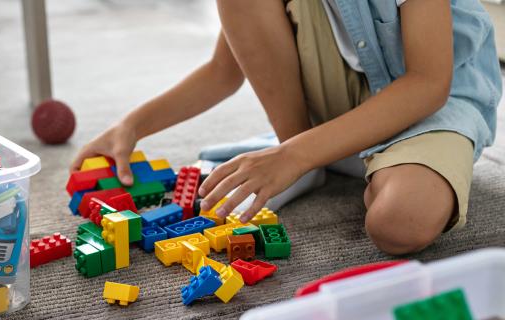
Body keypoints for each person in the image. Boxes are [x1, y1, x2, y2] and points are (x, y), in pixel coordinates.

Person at [72, 0, 502, 255]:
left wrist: (293, 155)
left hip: (427, 108)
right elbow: (225, 72)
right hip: (337, 107)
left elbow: (427, 86)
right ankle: (310, 158)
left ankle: (312, 157)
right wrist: (132, 125)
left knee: (400, 223)